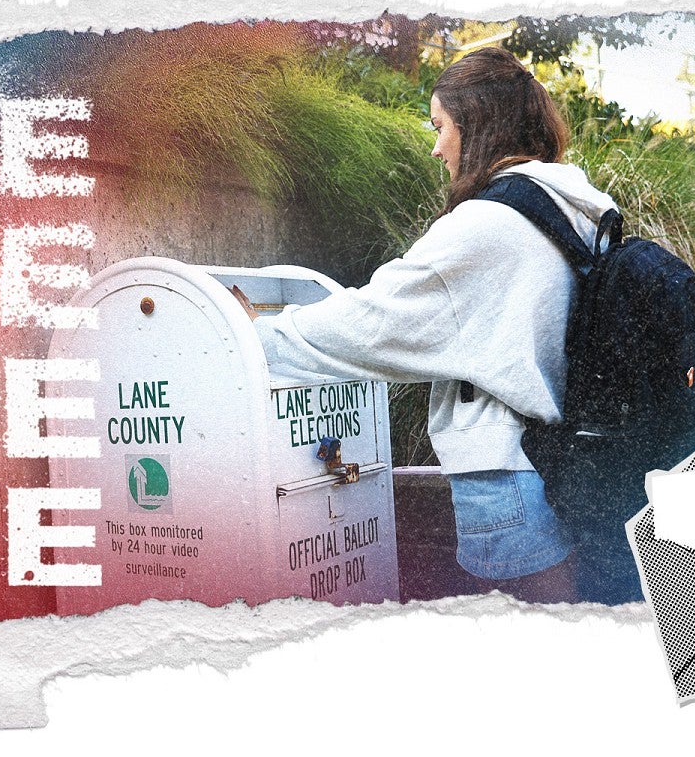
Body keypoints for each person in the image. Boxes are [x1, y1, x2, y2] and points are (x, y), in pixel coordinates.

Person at [234, 47, 621, 604]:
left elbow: (374, 322)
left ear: (478, 125)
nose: (437, 146)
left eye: (442, 127)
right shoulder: (575, 207)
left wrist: (249, 334)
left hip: (507, 471)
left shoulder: (488, 224)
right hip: (566, 463)